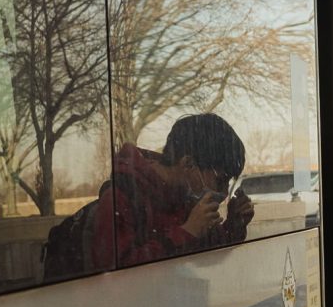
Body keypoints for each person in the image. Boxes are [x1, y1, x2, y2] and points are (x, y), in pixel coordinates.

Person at [92, 113, 255, 269]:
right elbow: (116, 273)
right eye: (220, 180)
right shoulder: (122, 198)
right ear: (188, 163)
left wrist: (234, 225)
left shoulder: (186, 199)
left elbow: (203, 259)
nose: (224, 192)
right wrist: (187, 232)